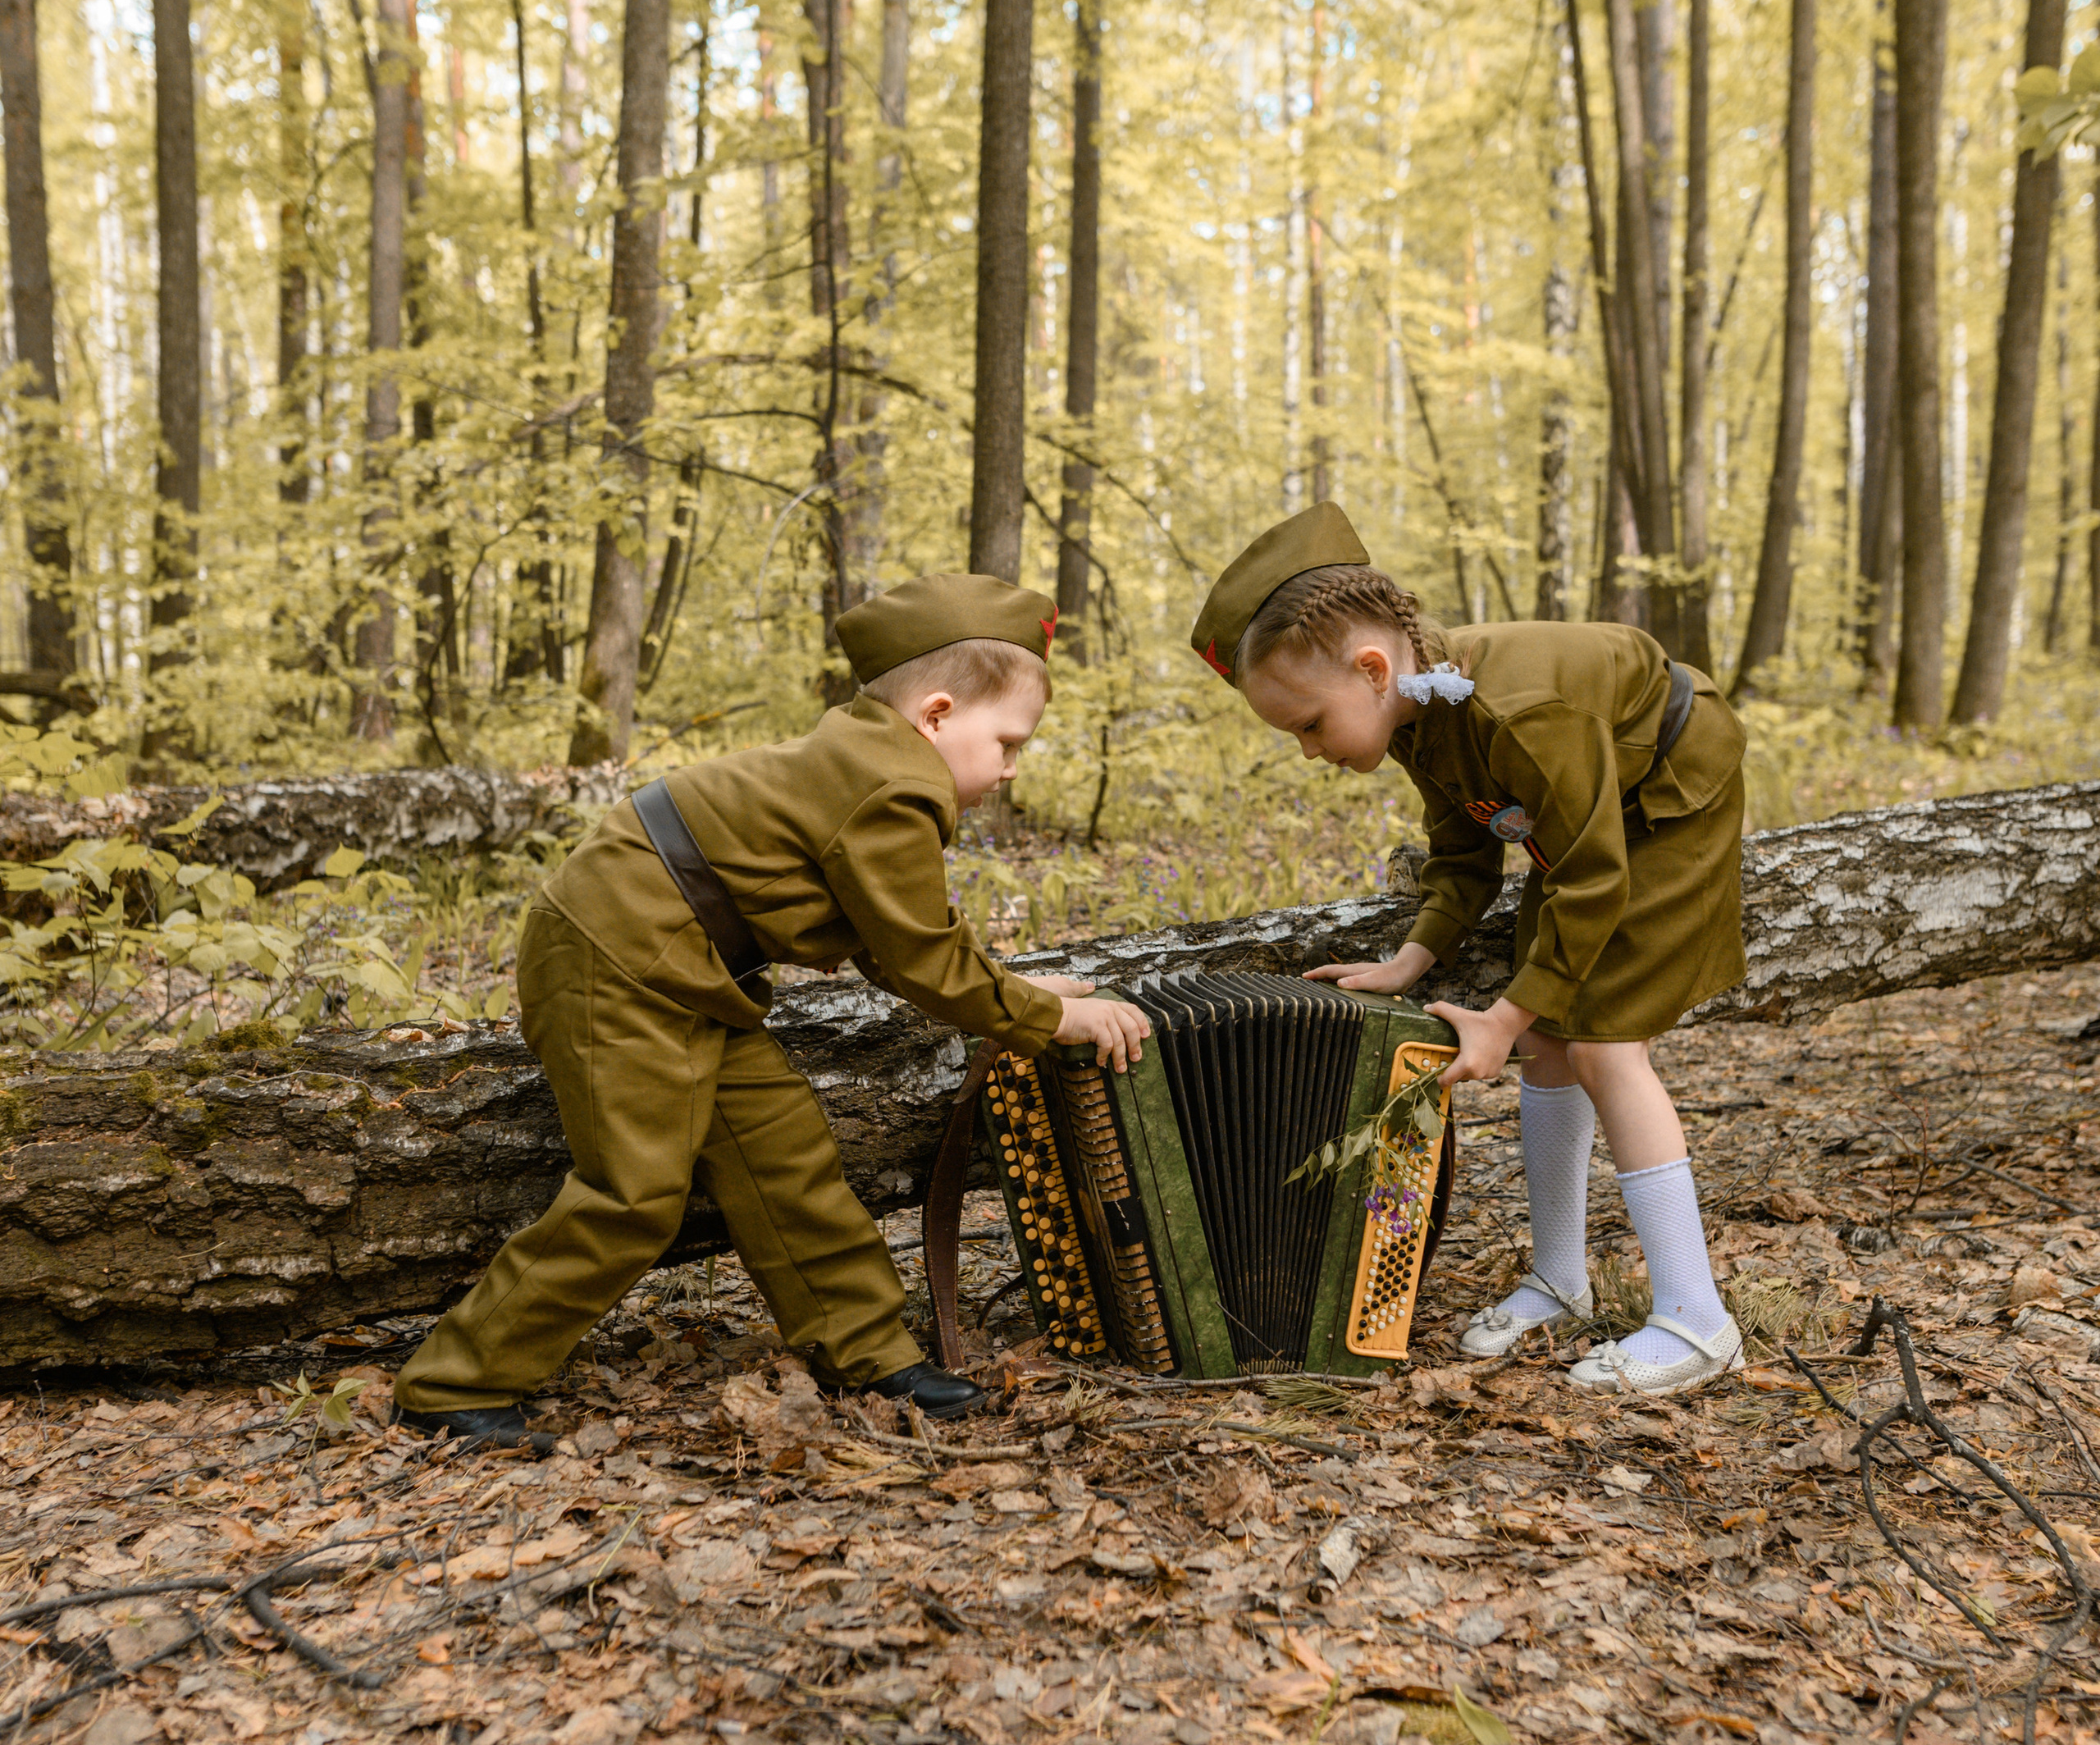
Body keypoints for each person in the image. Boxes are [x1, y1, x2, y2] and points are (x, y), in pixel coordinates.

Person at [392, 573, 1149, 1447]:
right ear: (937, 716)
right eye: (1008, 743)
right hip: (618, 957)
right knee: (636, 1193)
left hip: (682, 965)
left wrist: (1018, 992)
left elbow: (898, 938)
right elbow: (920, 958)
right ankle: (454, 1383)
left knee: (783, 1157)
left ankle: (869, 1352)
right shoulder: (891, 786)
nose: (1012, 768)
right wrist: (1050, 1021)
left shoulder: (868, 760)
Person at [1190, 505, 1747, 1397]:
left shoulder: (1517, 712)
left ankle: (1697, 1319)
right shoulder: (1420, 711)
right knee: (1550, 1042)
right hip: (1587, 818)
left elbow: (1594, 878)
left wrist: (1502, 1016)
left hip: (1666, 793)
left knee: (1604, 1045)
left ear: (1373, 670)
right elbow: (1464, 850)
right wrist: (1414, 957)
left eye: (1309, 724)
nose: (1307, 750)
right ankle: (1560, 1279)